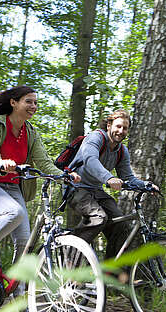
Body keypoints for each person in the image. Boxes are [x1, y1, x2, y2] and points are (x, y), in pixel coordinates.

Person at [0, 85, 80, 279]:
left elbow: (44, 162)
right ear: (13, 103)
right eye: (28, 101)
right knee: (14, 212)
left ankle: (17, 296)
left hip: (13, 186)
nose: (33, 106)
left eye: (36, 102)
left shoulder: (31, 132)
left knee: (24, 241)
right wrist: (0, 163)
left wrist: (64, 175)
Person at [67, 109, 158, 265]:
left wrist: (146, 185)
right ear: (109, 125)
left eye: (125, 128)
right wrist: (108, 178)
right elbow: (90, 160)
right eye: (118, 126)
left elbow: (128, 177)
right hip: (76, 187)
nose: (121, 131)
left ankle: (109, 275)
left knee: (121, 225)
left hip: (96, 191)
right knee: (98, 217)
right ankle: (70, 253)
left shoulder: (122, 151)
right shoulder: (95, 137)